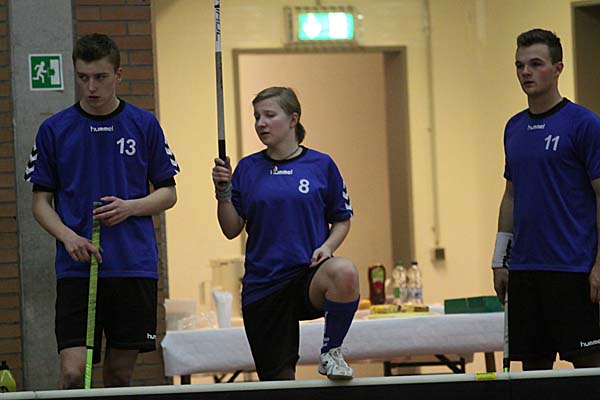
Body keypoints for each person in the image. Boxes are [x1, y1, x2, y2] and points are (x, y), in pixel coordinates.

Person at [24, 33, 179, 388]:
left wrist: (130, 207)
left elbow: (168, 194)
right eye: (83, 77)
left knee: (119, 375)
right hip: (77, 269)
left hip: (132, 264)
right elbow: (40, 203)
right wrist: (68, 237)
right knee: (74, 372)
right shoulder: (54, 130)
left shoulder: (144, 124)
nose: (91, 87)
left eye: (100, 77)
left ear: (118, 75)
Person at [212, 87, 359, 381]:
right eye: (257, 117)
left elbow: (342, 220)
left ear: (293, 119)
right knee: (278, 383)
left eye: (269, 115)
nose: (261, 123)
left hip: (307, 274)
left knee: (344, 271)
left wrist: (328, 247)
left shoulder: (321, 165)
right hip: (264, 283)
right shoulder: (247, 168)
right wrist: (223, 193)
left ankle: (331, 353)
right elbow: (230, 229)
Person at [492, 28, 600, 371]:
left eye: (536, 64)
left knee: (589, 370)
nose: (526, 72)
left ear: (558, 68)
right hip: (525, 270)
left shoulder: (584, 124)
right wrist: (500, 259)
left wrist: (599, 265)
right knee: (533, 376)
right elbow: (511, 196)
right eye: (519, 65)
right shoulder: (513, 128)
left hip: (573, 269)